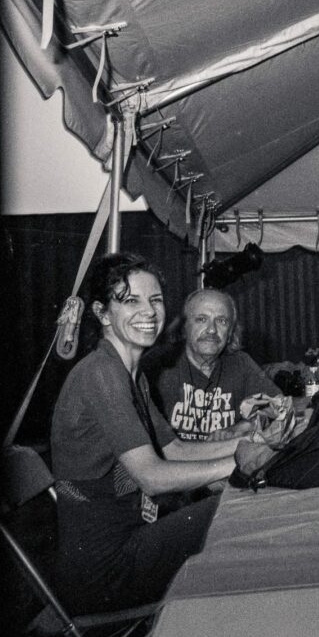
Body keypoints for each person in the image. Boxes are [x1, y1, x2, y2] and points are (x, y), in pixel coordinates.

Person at [50, 254, 245, 613]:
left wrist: (254, 443)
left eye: (155, 300)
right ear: (102, 313)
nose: (149, 311)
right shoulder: (100, 374)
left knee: (234, 512)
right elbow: (153, 477)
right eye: (131, 300)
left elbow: (176, 450)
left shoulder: (130, 376)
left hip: (125, 546)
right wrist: (241, 462)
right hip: (103, 571)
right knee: (241, 515)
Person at [143, 288, 280, 443]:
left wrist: (241, 427)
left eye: (222, 321)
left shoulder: (240, 363)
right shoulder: (157, 364)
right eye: (201, 319)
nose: (212, 330)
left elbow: (279, 407)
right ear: (183, 328)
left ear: (230, 334)